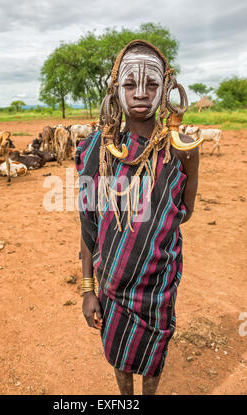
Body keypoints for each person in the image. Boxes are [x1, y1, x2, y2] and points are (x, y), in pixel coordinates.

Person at [75, 39, 201, 395]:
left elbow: (184, 214)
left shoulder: (183, 151)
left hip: (158, 284)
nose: (141, 93)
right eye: (130, 84)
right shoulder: (94, 150)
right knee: (117, 351)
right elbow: (88, 227)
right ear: (115, 90)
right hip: (111, 284)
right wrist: (88, 289)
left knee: (154, 352)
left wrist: (148, 226)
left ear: (167, 90)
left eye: (152, 84)